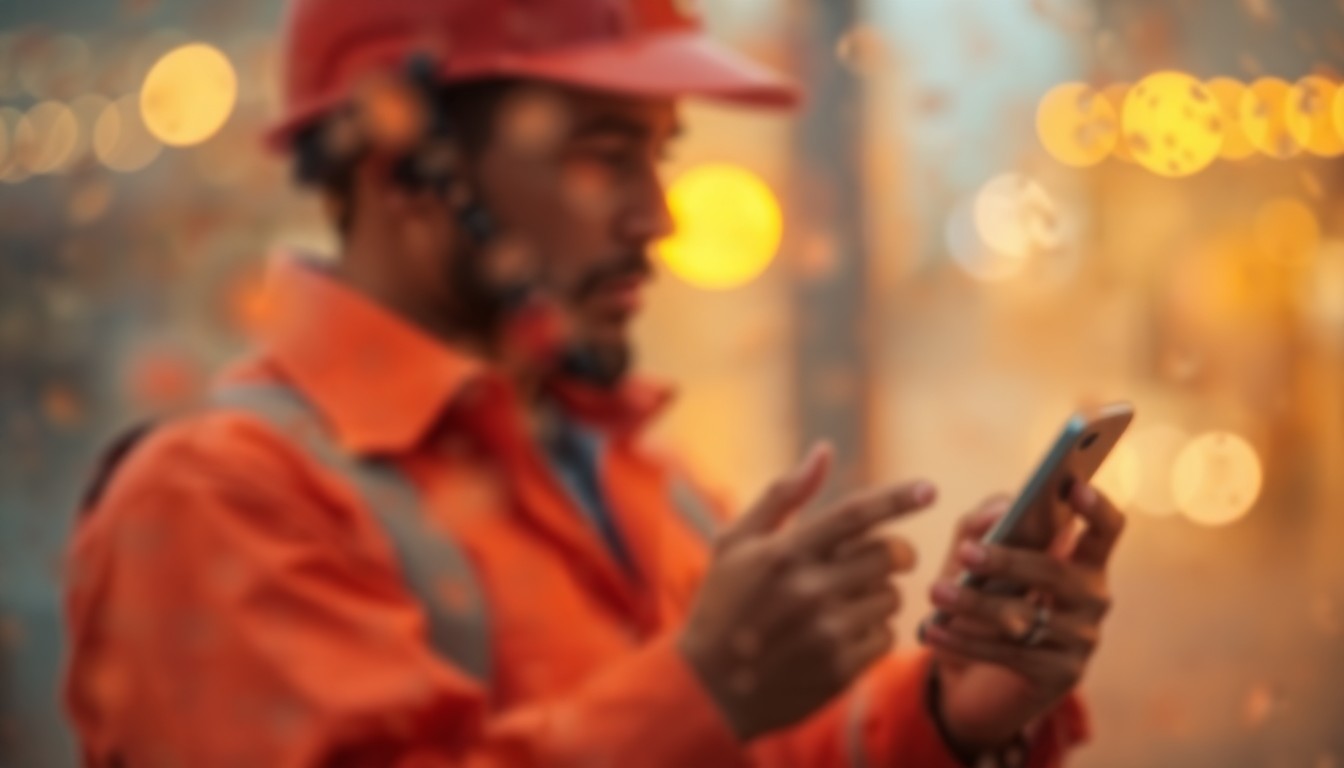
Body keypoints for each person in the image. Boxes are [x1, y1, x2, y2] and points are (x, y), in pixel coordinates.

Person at [63, 0, 1124, 765]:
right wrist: (700, 694)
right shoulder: (214, 499)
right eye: (601, 155)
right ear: (402, 173)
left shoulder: (625, 471)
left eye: (659, 156)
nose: (657, 217)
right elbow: (705, 723)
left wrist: (949, 716)